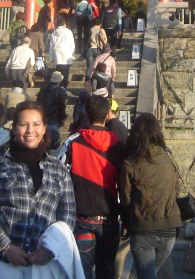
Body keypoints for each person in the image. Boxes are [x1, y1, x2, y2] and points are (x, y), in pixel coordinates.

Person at [0, 101, 77, 278]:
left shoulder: (58, 169)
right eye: (23, 125)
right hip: (3, 261)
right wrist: (6, 246)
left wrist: (51, 249)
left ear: (44, 129)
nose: (30, 131)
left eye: (36, 125)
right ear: (13, 129)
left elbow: (68, 214)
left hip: (44, 264)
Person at [59, 95, 124, 279]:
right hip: (110, 217)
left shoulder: (73, 142)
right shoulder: (117, 144)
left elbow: (59, 175)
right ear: (107, 115)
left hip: (82, 217)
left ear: (86, 114)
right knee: (106, 270)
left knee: (82, 272)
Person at [119, 113, 181, 279]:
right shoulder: (168, 158)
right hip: (169, 227)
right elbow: (177, 189)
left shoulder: (130, 163)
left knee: (145, 274)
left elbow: (125, 198)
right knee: (149, 272)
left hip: (143, 227)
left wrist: (126, 220)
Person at [36, 70, 67, 149]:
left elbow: (38, 101)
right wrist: (63, 118)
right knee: (54, 136)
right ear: (59, 81)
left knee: (45, 134)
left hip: (43, 114)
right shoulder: (60, 91)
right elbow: (61, 106)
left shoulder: (44, 88)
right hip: (55, 116)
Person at [49, 16, 75, 88]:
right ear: (64, 24)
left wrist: (51, 57)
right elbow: (72, 44)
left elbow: (51, 45)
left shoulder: (54, 33)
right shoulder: (68, 32)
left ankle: (58, 87)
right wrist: (72, 55)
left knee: (58, 72)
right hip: (67, 53)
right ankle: (64, 88)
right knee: (66, 73)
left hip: (57, 54)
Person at [85, 18, 107, 84]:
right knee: (98, 68)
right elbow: (105, 41)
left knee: (90, 67)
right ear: (100, 23)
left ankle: (87, 81)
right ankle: (95, 84)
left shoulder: (90, 29)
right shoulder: (101, 30)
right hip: (97, 49)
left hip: (89, 49)